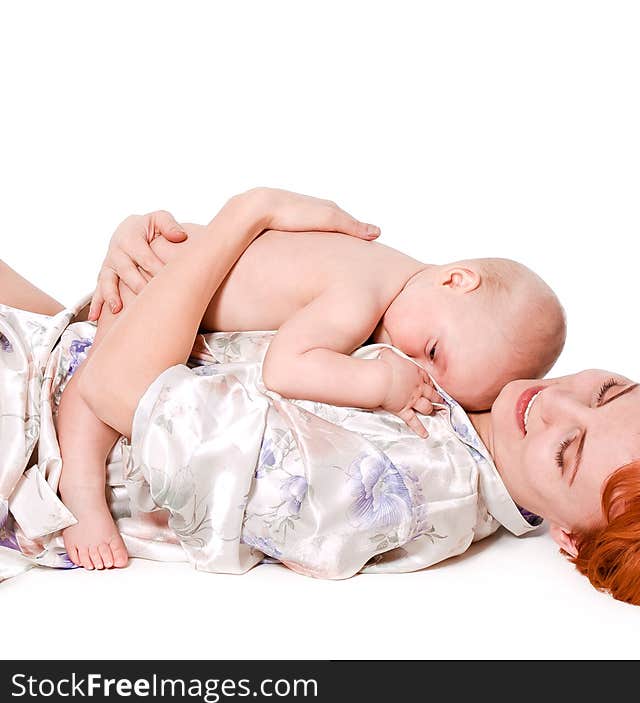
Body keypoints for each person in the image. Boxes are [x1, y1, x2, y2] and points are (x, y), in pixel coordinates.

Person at [0, 188, 640, 609]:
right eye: (605, 390)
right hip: (49, 346)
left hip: (32, 437)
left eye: (569, 450)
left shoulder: (404, 491)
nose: (552, 403)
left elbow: (113, 389)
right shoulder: (465, 373)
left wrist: (246, 213)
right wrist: (151, 249)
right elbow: (242, 310)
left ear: (569, 537)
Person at [55, 190, 566, 571]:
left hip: (173, 267)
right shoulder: (360, 295)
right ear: (456, 279)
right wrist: (382, 385)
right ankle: (79, 491)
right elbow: (287, 367)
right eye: (432, 352)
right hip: (151, 285)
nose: (415, 365)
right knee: (90, 397)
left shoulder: (389, 276)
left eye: (438, 378)